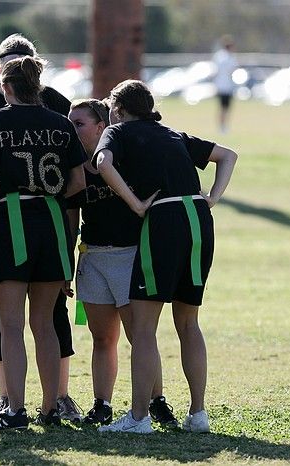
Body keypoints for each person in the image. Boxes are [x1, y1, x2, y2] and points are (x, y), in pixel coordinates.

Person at [93, 80, 237, 434]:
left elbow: (102, 162)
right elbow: (228, 155)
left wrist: (135, 203)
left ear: (119, 109)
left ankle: (139, 418)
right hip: (199, 220)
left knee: (143, 328)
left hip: (165, 221)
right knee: (189, 323)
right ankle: (198, 414)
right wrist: (213, 198)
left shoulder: (117, 131)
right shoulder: (174, 134)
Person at [0, 33, 83, 422]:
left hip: (12, 219)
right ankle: (51, 408)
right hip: (51, 221)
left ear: (5, 85)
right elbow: (79, 182)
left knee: (11, 324)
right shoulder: (59, 121)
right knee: (47, 322)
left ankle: (14, 408)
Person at [66, 99, 178, 429]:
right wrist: (67, 265)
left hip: (130, 257)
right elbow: (72, 221)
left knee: (140, 336)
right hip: (94, 257)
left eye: (79, 123)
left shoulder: (123, 161)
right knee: (103, 339)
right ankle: (102, 404)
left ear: (102, 127)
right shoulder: (77, 170)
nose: (72, 129)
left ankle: (155, 402)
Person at [213, 34, 238, 133]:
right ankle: (223, 127)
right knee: (225, 109)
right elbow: (232, 71)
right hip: (227, 86)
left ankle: (221, 126)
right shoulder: (230, 58)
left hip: (220, 86)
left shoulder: (218, 56)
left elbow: (215, 71)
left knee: (222, 108)